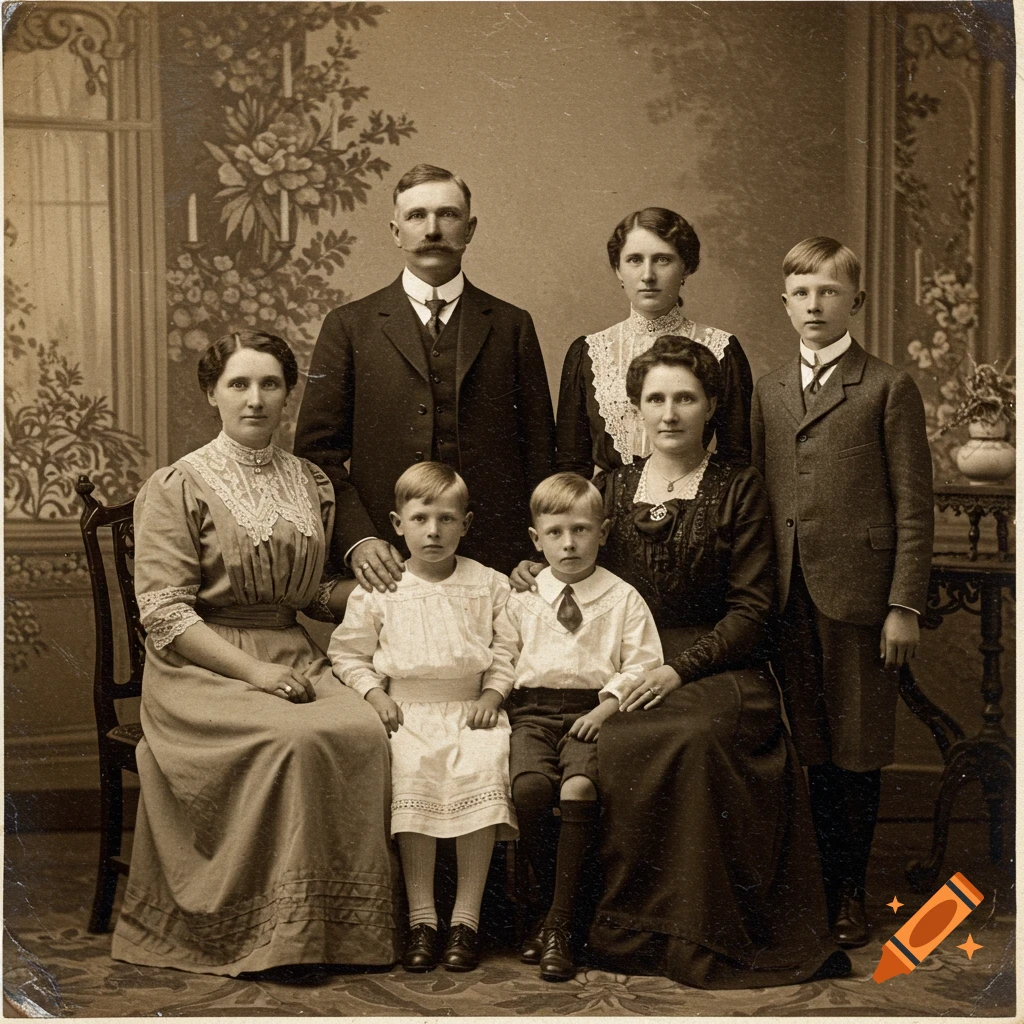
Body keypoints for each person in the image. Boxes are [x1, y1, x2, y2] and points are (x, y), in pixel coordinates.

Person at [514, 335, 845, 988]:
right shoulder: (610, 486)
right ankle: (577, 920)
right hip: (620, 661)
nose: (670, 413)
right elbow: (575, 563)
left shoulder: (739, 488)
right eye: (656, 399)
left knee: (689, 736)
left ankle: (673, 927)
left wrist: (676, 670)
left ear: (712, 406)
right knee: (607, 735)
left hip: (721, 666)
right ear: (635, 407)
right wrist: (535, 571)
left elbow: (752, 611)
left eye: (686, 399)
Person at [111, 331, 397, 976]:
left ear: (289, 394)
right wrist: (255, 672)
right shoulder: (178, 484)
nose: (255, 399)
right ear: (211, 394)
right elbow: (165, 613)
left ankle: (340, 930)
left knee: (365, 728)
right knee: (293, 738)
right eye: (238, 384)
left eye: (270, 384)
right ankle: (275, 932)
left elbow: (310, 592)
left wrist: (384, 595)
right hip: (202, 665)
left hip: (293, 652)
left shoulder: (311, 481)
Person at [751, 237, 934, 948]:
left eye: (828, 291)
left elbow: (913, 506)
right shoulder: (768, 389)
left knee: (857, 747)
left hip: (861, 598)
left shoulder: (887, 386)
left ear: (855, 300)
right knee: (809, 747)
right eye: (801, 292)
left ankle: (851, 893)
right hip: (786, 594)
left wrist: (903, 605)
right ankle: (814, 890)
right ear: (785, 302)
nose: (814, 305)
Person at [294, 163, 555, 583]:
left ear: (469, 229)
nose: (432, 230)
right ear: (396, 232)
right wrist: (359, 539)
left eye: (447, 214)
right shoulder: (349, 325)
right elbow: (317, 456)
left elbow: (540, 452)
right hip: (387, 559)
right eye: (417, 215)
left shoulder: (511, 325)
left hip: (500, 560)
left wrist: (536, 549)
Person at [328, 462, 517, 974]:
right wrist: (374, 694)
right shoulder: (381, 589)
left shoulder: (489, 584)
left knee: (482, 771)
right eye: (420, 519)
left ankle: (466, 921)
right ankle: (422, 919)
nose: (433, 531)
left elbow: (507, 649)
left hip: (473, 711)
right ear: (397, 524)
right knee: (412, 779)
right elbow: (347, 653)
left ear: (466, 524)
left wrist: (493, 693)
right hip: (406, 712)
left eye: (446, 519)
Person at [492, 473, 662, 982]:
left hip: (594, 712)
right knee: (529, 788)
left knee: (579, 788)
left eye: (582, 530)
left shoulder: (621, 597)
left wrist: (605, 709)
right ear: (536, 539)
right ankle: (549, 908)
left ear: (603, 532)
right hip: (531, 712)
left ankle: (561, 925)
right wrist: (493, 701)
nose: (569, 543)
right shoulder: (522, 597)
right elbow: (502, 657)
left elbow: (643, 663)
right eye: (556, 532)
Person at [555, 207, 753, 478]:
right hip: (605, 502)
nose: (648, 275)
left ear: (686, 267)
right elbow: (571, 467)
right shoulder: (589, 352)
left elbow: (737, 457)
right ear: (618, 269)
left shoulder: (721, 348)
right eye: (634, 260)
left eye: (662, 259)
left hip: (695, 498)